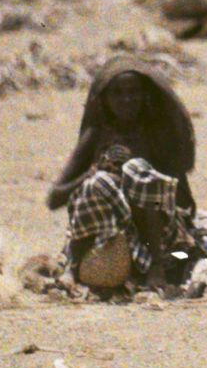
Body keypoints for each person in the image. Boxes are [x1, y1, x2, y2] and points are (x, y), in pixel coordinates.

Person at [45, 55, 198, 291]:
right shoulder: (96, 136)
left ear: (145, 95)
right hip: (105, 239)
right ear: (104, 100)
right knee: (98, 182)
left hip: (156, 241)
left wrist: (138, 173)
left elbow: (184, 200)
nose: (126, 100)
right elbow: (54, 198)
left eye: (133, 92)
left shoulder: (156, 135)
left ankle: (156, 269)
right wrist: (96, 171)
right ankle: (73, 269)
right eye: (117, 93)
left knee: (137, 171)